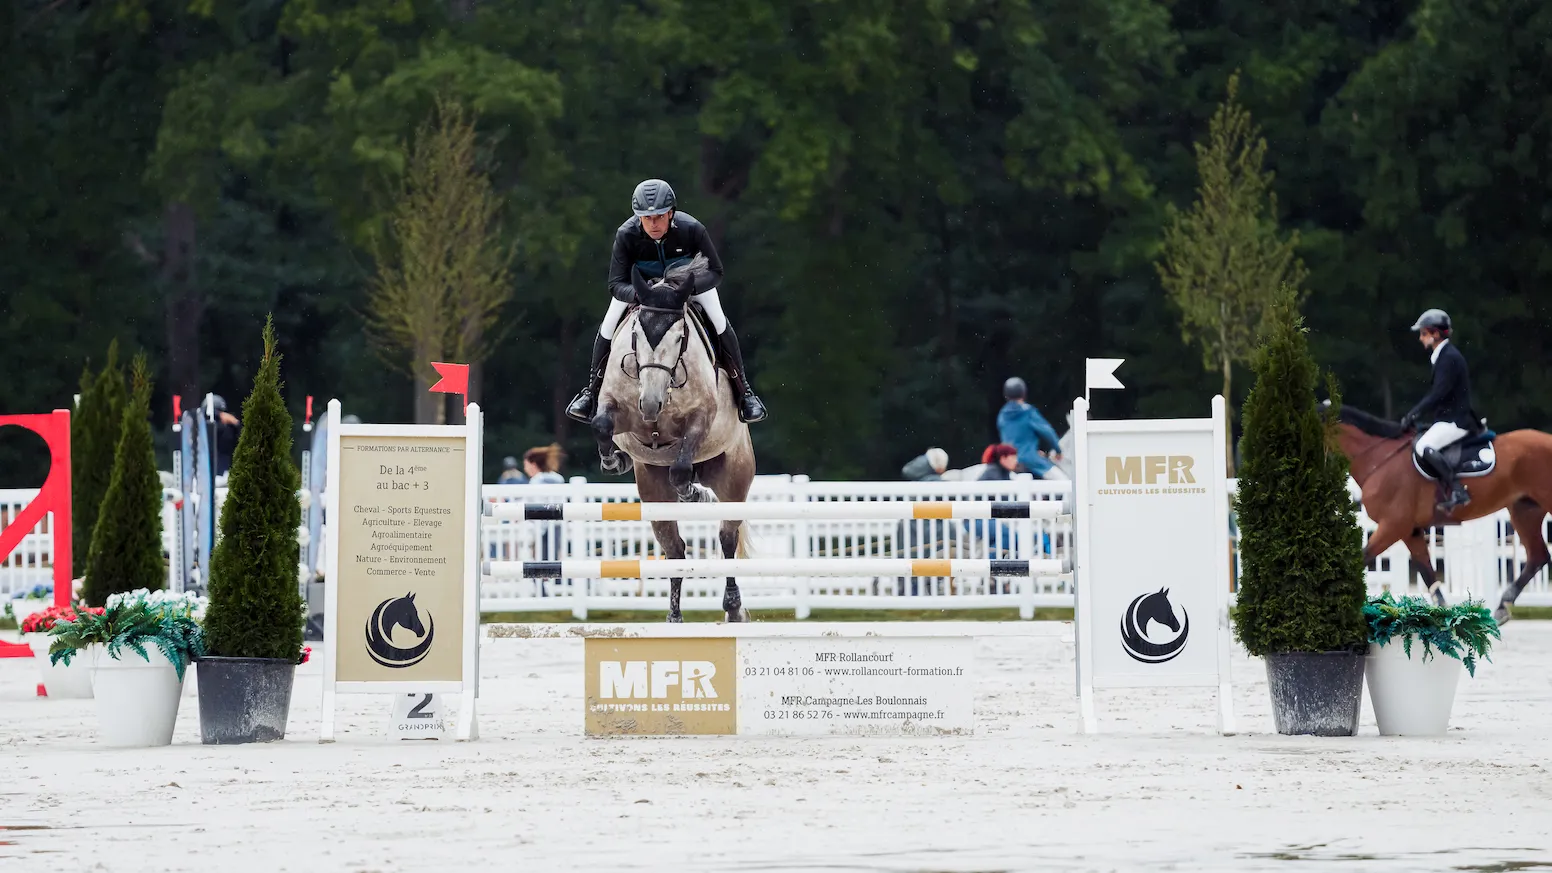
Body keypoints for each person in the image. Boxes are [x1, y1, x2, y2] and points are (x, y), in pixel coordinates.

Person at [565, 179, 767, 425]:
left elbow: (716, 272)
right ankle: (590, 393)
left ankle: (745, 393)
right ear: (638, 217)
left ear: (671, 213)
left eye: (660, 217)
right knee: (608, 326)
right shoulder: (626, 234)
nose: (653, 224)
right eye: (646, 218)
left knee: (718, 321)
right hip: (644, 290)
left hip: (686, 286)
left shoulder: (692, 229)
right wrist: (639, 295)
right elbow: (615, 284)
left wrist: (687, 289)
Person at [1399, 308, 1481, 512]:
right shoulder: (1443, 355)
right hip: (1448, 417)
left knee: (1423, 446)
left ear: (1435, 334)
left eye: (1423, 333)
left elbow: (1438, 394)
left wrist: (1413, 413)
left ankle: (1457, 490)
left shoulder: (1448, 357)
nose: (1420, 338)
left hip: (1456, 420)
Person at [996, 377, 1066, 480]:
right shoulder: (1028, 412)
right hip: (1030, 459)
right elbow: (1047, 432)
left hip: (1011, 461)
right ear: (1023, 393)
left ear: (1006, 395)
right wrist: (1058, 450)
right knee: (1064, 481)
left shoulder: (1002, 415)